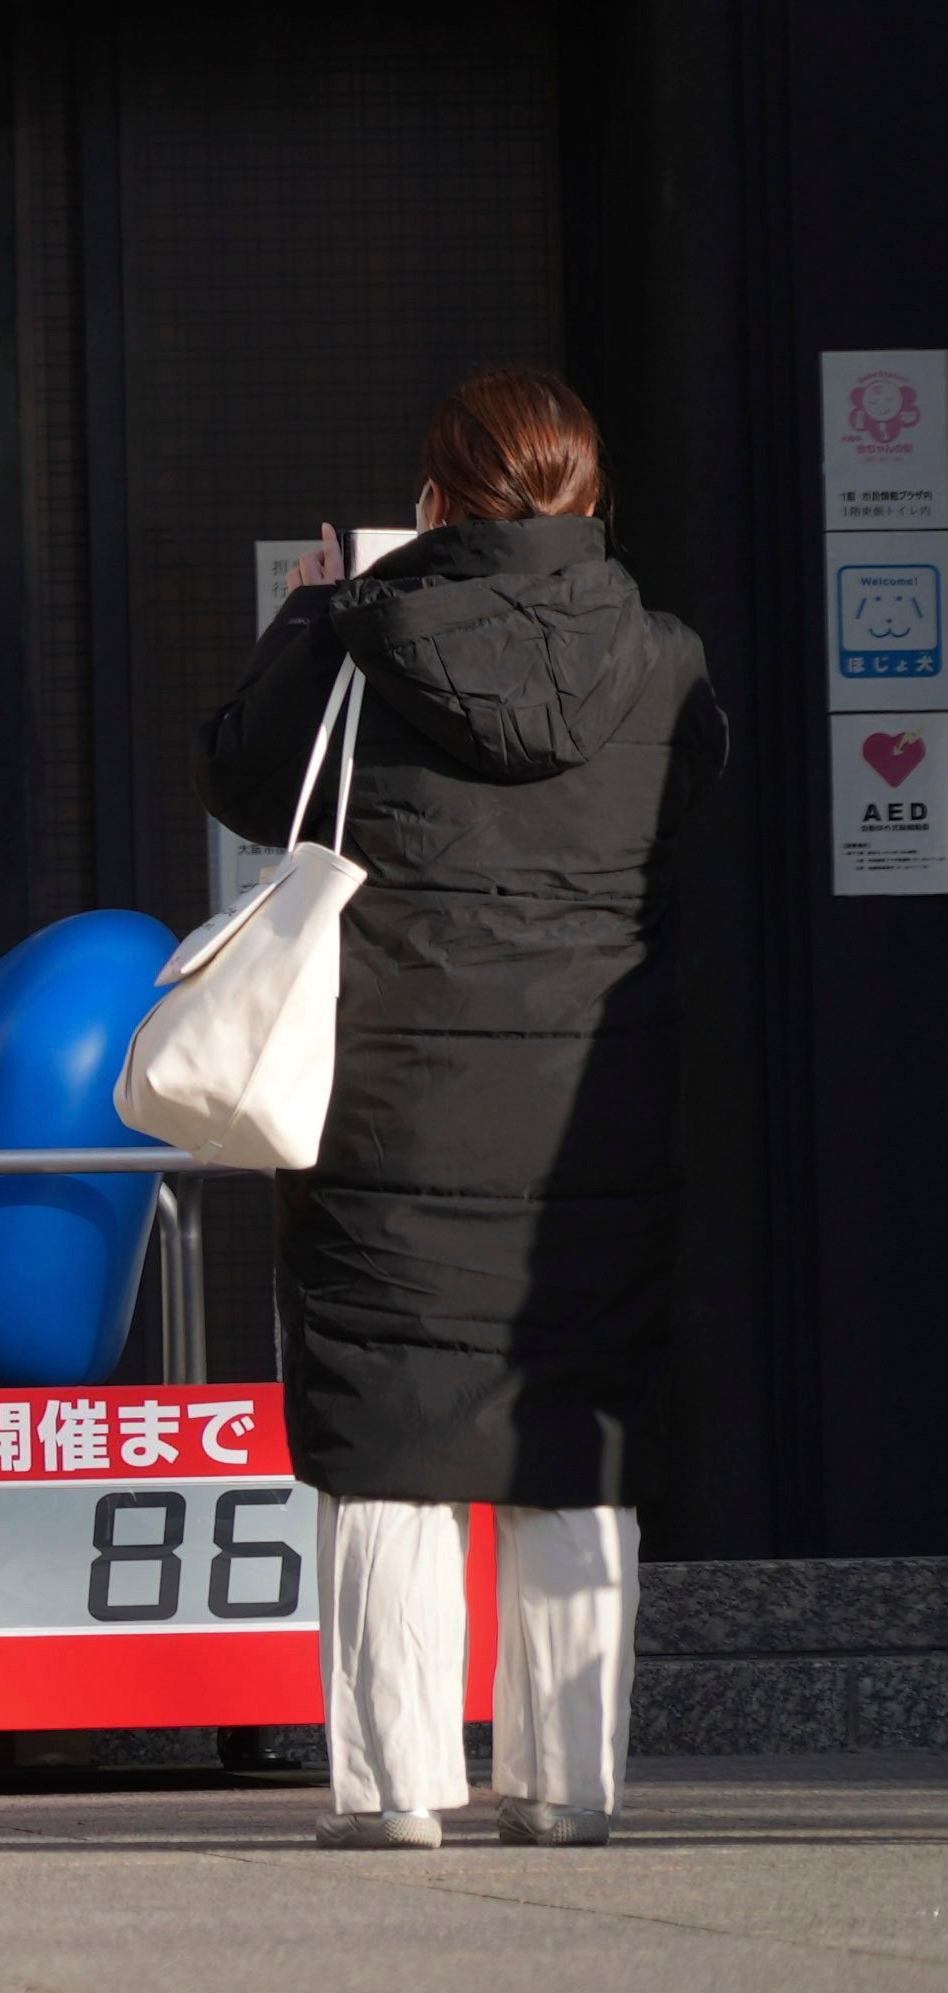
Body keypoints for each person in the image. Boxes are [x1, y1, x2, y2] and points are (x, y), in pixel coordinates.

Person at [200, 368, 726, 1852]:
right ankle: (569, 1787)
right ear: (589, 498)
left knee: (389, 1442)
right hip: (587, 1117)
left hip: (393, 1104)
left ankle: (393, 1789)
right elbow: (684, 807)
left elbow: (245, 785)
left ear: (433, 498)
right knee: (577, 1443)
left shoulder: (360, 640)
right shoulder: (667, 655)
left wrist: (315, 606)